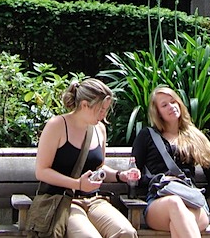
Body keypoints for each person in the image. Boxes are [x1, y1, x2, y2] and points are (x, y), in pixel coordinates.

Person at [35, 78, 140, 238]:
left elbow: (99, 168)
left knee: (126, 232)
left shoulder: (100, 129)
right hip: (62, 200)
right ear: (84, 105)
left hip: (94, 200)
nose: (104, 115)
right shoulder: (57, 125)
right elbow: (42, 171)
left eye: (106, 110)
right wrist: (77, 184)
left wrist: (121, 176)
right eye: (100, 110)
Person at [131, 86, 210, 238]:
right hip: (160, 202)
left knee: (179, 224)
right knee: (175, 204)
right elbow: (134, 176)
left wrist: (199, 193)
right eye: (164, 105)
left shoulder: (195, 137)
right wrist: (160, 180)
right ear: (157, 112)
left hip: (193, 202)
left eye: (173, 102)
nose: (171, 107)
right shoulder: (147, 135)